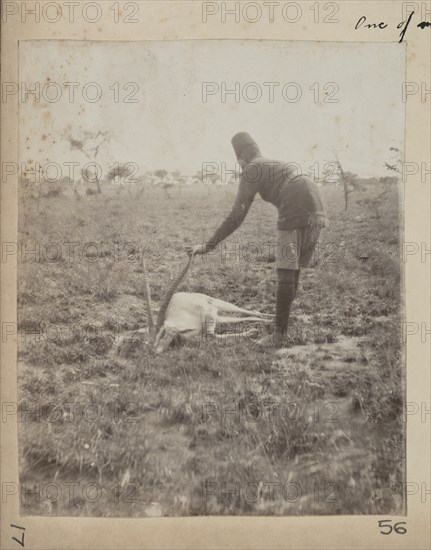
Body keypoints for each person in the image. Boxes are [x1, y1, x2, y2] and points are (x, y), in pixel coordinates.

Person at [186, 132, 326, 346]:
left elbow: (237, 215)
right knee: (293, 269)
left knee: (286, 271)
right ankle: (282, 326)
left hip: (295, 203)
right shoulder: (271, 163)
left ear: (241, 159)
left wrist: (208, 245)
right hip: (317, 205)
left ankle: (279, 335)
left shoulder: (252, 169)